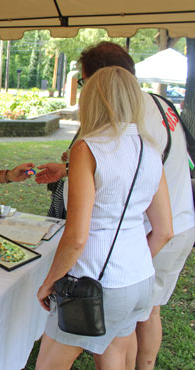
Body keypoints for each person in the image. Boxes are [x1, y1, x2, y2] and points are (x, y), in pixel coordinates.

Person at [35, 41, 195, 370]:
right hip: (138, 278)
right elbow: (164, 230)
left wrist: (50, 280)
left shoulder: (87, 148)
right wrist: (132, 264)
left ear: (93, 95)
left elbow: (77, 237)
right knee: (116, 359)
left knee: (50, 362)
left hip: (95, 277)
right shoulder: (150, 147)